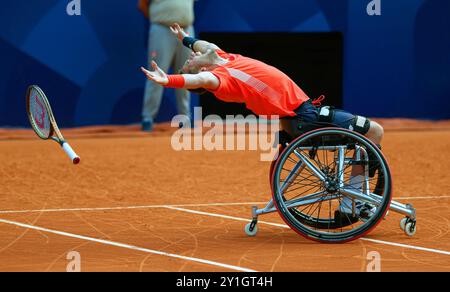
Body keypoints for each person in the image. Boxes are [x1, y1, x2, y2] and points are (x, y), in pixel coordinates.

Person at [140, 23, 384, 217]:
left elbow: (205, 46)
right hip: (304, 118)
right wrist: (169, 80)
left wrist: (186, 39)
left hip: (304, 113)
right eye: (189, 63)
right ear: (202, 70)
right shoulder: (220, 80)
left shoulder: (225, 57)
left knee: (367, 137)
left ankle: (353, 200)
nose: (189, 57)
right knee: (374, 132)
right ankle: (354, 201)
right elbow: (198, 82)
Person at [138, 0, 195, 132]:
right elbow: (142, 5)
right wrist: (158, 20)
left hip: (187, 29)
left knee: (186, 77)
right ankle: (148, 119)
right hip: (162, 29)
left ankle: (185, 119)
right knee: (155, 74)